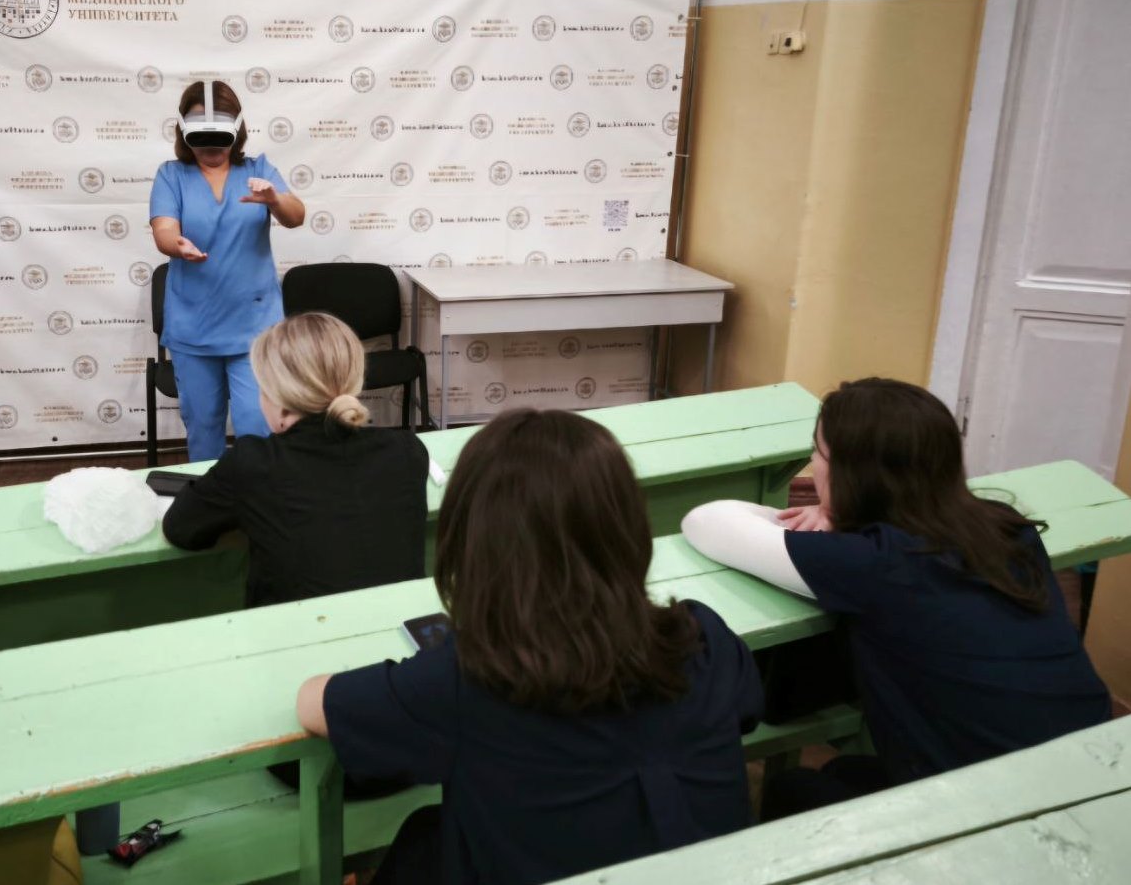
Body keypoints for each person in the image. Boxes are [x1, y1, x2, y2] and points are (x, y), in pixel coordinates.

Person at [297, 409, 763, 885]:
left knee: (426, 842)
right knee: (427, 835)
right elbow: (747, 711)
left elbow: (315, 704)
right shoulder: (703, 639)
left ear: (474, 542)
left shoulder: (467, 679)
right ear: (626, 527)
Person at [681, 377, 1111, 818]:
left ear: (852, 475)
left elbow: (705, 520)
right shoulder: (1006, 527)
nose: (813, 464)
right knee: (846, 770)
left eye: (818, 454)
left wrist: (826, 515)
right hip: (1099, 770)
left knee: (793, 790)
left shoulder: (874, 562)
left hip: (1002, 811)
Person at [162, 312, 427, 607]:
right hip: (400, 627)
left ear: (276, 397)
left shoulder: (254, 463)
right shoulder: (407, 450)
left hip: (295, 633)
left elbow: (180, 529)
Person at [150, 79, 305, 461]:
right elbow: (164, 229)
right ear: (184, 134)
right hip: (194, 326)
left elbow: (296, 216)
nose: (211, 149)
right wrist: (177, 244)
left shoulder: (259, 169)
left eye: (219, 139)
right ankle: (213, 495)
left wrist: (274, 199)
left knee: (259, 425)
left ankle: (259, 495)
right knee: (203, 428)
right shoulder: (171, 175)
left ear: (236, 131)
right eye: (201, 140)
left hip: (254, 327)